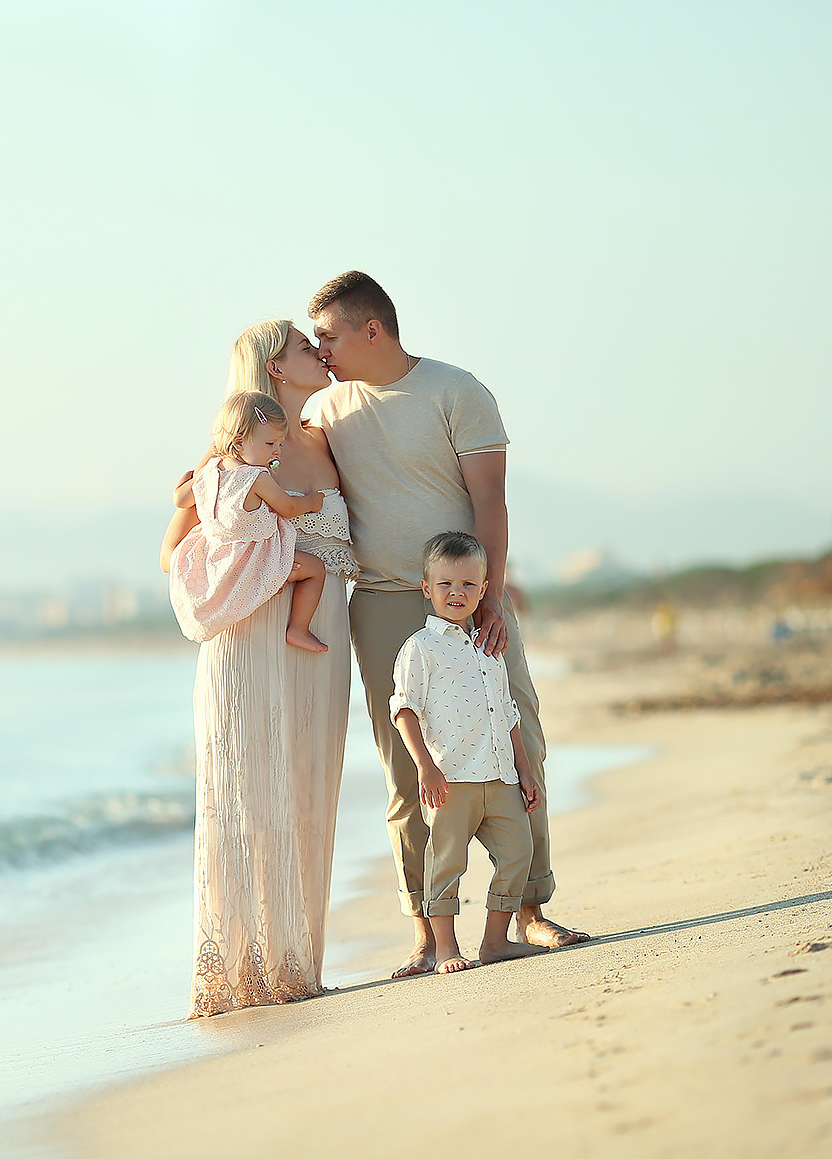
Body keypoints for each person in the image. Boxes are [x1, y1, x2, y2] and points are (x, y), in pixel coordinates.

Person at [305, 270, 591, 979]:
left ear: (374, 329)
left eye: (330, 335)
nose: (322, 348)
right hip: (380, 601)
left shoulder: (456, 390)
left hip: (468, 594)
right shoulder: (328, 409)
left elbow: (489, 501)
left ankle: (528, 908)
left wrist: (489, 597)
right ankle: (427, 933)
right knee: (408, 771)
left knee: (517, 743)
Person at [161, 319, 357, 1017]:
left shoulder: (329, 439)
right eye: (307, 346)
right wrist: (189, 508)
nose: (320, 352)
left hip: (319, 631)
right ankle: (239, 968)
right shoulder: (234, 458)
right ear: (276, 368)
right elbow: (170, 555)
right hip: (249, 636)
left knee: (308, 783)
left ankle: (295, 965)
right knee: (248, 793)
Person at [389, 531, 550, 973]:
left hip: (500, 775)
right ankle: (445, 949)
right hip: (451, 779)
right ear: (427, 589)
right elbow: (404, 710)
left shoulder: (489, 648)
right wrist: (425, 768)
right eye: (445, 584)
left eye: (467, 585)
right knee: (445, 864)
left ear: (483, 590)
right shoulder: (420, 649)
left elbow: (509, 713)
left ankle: (495, 942)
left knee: (519, 851)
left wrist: (525, 772)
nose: (456, 594)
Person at [168, 390, 331, 654]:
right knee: (315, 569)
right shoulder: (256, 478)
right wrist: (312, 502)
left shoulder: (211, 472)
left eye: (279, 444)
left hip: (220, 562)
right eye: (269, 444)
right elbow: (288, 507)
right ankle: (298, 628)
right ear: (239, 442)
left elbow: (181, 498)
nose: (277, 450)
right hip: (253, 559)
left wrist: (192, 473)